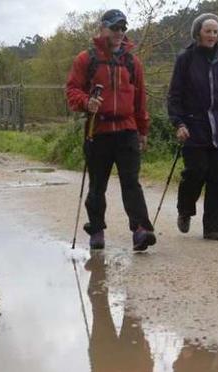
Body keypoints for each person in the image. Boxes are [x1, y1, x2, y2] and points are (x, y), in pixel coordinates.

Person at [66, 9, 156, 252]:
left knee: (131, 182)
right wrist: (86, 102)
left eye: (122, 28)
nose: (119, 33)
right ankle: (96, 229)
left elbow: (140, 100)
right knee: (97, 185)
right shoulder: (86, 59)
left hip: (127, 129)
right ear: (102, 28)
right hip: (99, 130)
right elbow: (72, 90)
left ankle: (141, 230)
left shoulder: (132, 62)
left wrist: (143, 130)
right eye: (114, 27)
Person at [167, 13, 218, 241]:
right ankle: (185, 209)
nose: (212, 35)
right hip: (194, 127)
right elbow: (174, 95)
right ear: (198, 33)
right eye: (207, 31)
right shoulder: (186, 58)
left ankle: (214, 226)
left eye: (215, 31)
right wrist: (178, 123)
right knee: (196, 172)